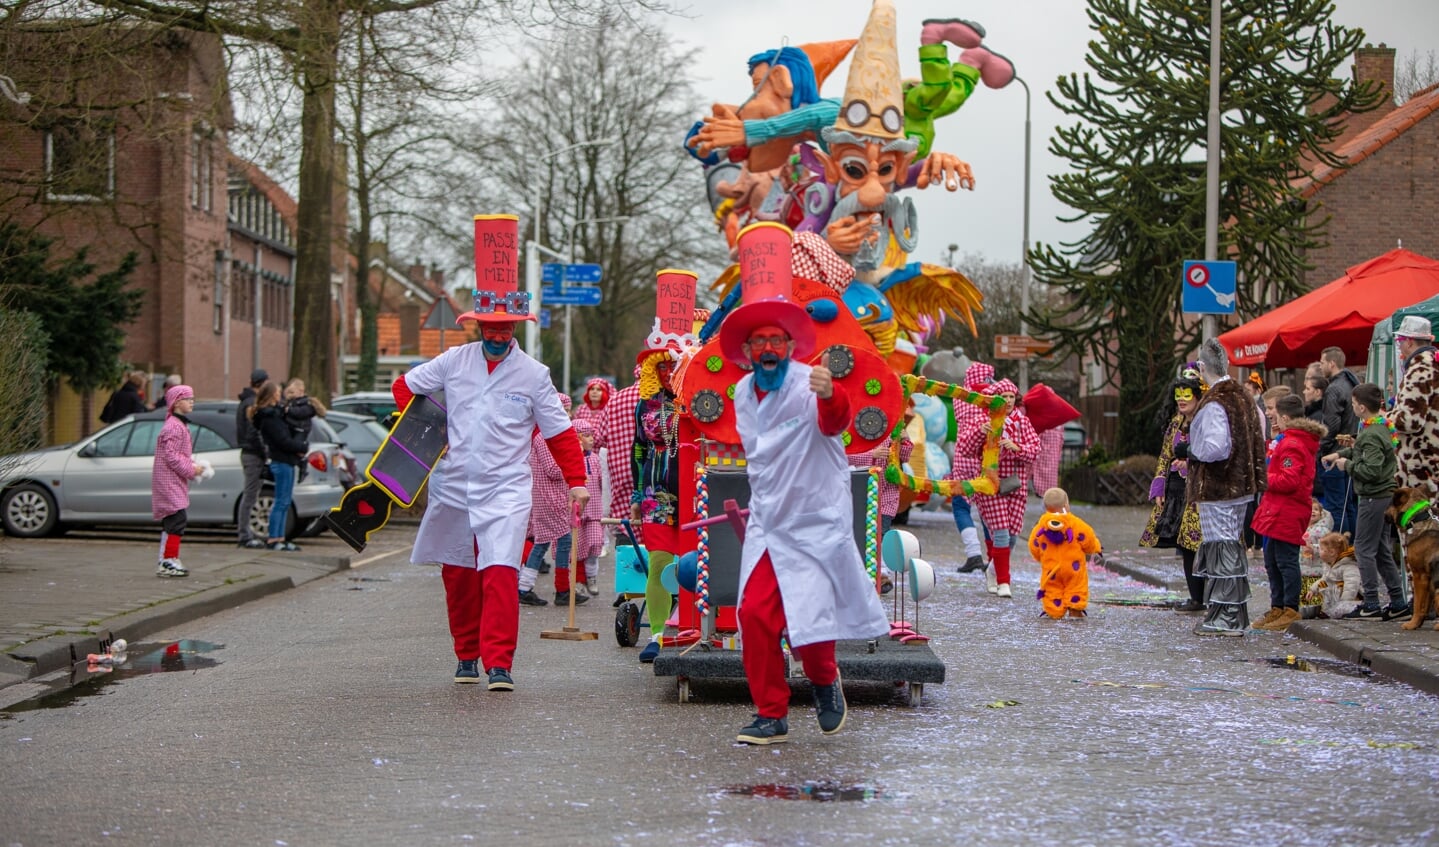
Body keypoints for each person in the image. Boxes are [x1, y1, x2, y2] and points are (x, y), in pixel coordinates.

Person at [391, 240, 586, 691]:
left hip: (506, 488)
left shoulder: (534, 374)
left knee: (500, 571)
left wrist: (576, 480)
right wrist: (425, 435)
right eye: (490, 328)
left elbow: (559, 432)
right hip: (454, 483)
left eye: (505, 329)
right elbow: (405, 387)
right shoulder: (453, 361)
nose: (497, 336)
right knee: (457, 574)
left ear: (516, 329)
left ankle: (500, 663)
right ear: (478, 326)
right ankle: (466, 656)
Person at [721, 320, 890, 746]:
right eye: (759, 341)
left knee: (811, 621)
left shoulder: (811, 382)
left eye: (775, 340)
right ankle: (770, 714)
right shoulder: (742, 393)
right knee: (754, 614)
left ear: (790, 345)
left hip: (814, 520)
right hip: (769, 520)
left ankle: (824, 680)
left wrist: (833, 394)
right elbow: (758, 454)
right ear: (747, 349)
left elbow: (834, 424)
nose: (768, 348)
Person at [1187, 338, 1267, 637]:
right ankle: (1233, 611)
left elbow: (1216, 447)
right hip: (1242, 485)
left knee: (1220, 546)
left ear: (1202, 367)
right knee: (1231, 543)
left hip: (1219, 486)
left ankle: (1226, 615)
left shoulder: (1216, 401)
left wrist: (1192, 451)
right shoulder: (1244, 397)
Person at [1321, 381, 1408, 621]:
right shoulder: (1379, 427)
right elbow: (1365, 451)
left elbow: (1370, 469)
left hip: (1373, 496)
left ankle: (1371, 602)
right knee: (1380, 550)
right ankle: (1398, 600)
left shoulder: (1371, 433)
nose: (1352, 407)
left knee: (1363, 549)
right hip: (1382, 495)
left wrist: (1345, 465)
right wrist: (1341, 453)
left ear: (1360, 407)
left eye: (1352, 404)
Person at [955, 378, 1039, 598]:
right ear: (995, 399)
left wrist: (1017, 447)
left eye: (1012, 397)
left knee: (1012, 535)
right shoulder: (983, 420)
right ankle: (1004, 582)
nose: (1008, 401)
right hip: (990, 484)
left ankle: (992, 569)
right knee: (1001, 532)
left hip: (1015, 485)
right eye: (1004, 397)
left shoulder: (1023, 422)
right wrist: (980, 433)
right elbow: (965, 448)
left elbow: (1035, 450)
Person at [1251, 393, 1325, 632]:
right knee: (1272, 560)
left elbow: (1289, 481)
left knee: (1285, 560)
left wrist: (1263, 477)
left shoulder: (1293, 443)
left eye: (1273, 413)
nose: (1271, 417)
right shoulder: (1286, 439)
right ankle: (1278, 606)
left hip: (1288, 510)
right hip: (1277, 509)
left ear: (1284, 417)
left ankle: (1290, 608)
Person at [630, 349, 683, 664]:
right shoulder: (645, 405)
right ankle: (659, 633)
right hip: (656, 492)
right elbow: (638, 448)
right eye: (662, 366)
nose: (668, 372)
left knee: (696, 562)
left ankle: (691, 628)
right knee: (660, 562)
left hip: (695, 490)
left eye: (674, 366)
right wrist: (637, 496)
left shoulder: (703, 396)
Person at [1140, 374, 1206, 612]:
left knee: (1199, 544)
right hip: (1177, 491)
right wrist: (1160, 486)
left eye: (1186, 395)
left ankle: (1207, 596)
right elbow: (1165, 455)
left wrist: (1190, 465)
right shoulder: (1176, 423)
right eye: (1178, 395)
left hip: (1198, 491)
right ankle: (1196, 598)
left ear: (1198, 397)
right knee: (1185, 545)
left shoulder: (1204, 421)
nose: (1181, 399)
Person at [520, 392, 587, 608]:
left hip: (551, 495)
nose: (567, 415)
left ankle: (554, 588)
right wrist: (573, 468)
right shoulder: (545, 437)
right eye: (564, 410)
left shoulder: (545, 435)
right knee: (550, 542)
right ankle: (537, 587)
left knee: (549, 541)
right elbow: (552, 468)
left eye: (568, 410)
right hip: (549, 496)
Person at [151, 384, 204, 578]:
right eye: (188, 399)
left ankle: (166, 558)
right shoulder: (174, 427)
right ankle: (169, 560)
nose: (192, 402)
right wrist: (192, 469)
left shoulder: (177, 424)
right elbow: (172, 456)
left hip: (172, 480)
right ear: (176, 402)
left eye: (192, 399)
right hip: (169, 481)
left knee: (171, 520)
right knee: (177, 519)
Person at [250, 381, 307, 553]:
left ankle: (280, 538)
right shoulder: (269, 418)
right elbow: (282, 441)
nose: (280, 394)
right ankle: (274, 538)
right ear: (272, 394)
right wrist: (301, 447)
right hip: (281, 461)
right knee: (281, 501)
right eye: (278, 391)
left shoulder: (274, 415)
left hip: (286, 460)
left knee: (285, 501)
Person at [1029, 487, 1101, 619]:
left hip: (1051, 569)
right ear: (1066, 505)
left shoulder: (1040, 526)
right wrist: (1096, 547)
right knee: (1076, 586)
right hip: (1073, 567)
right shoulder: (1075, 523)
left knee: (1052, 589)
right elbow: (1088, 539)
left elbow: (1033, 546)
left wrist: (1041, 557)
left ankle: (1054, 610)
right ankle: (1075, 610)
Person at [951, 362, 995, 574]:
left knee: (961, 506)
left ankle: (973, 554)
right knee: (987, 509)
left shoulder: (959, 397)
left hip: (963, 456)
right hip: (985, 459)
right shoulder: (994, 400)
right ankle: (993, 558)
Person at [1390, 316, 1439, 497]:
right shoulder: (1433, 364)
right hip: (1431, 460)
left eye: (1399, 341)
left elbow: (1410, 421)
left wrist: (1385, 418)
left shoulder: (1420, 368)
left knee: (1421, 522)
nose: (1399, 346)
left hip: (1419, 463)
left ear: (1409, 342)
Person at [1317, 346, 1360, 536]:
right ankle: (1350, 546)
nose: (1320, 366)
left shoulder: (1334, 389)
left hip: (1334, 453)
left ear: (1331, 363)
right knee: (1347, 505)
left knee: (1335, 506)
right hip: (1348, 449)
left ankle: (1339, 550)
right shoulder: (1352, 383)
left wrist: (1322, 449)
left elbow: (1331, 424)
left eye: (1322, 362)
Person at [235, 369, 270, 549]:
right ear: (262, 383)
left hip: (249, 453)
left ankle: (245, 533)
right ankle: (244, 535)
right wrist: (265, 452)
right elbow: (253, 431)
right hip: (253, 454)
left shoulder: (245, 401)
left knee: (251, 494)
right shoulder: (251, 404)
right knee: (250, 495)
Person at [572, 419, 605, 596]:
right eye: (586, 436)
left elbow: (602, 483)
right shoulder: (571, 459)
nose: (591, 439)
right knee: (576, 547)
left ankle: (591, 576)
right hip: (576, 511)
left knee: (595, 542)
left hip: (594, 510)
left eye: (592, 435)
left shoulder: (595, 459)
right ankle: (578, 580)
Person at [1304, 531, 1362, 620]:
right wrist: (1313, 589)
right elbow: (1324, 579)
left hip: (1346, 604)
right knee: (1327, 587)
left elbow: (1351, 586)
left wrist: (1344, 603)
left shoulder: (1348, 566)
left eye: (1322, 549)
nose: (1319, 552)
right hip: (1333, 602)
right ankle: (1328, 611)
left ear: (1331, 552)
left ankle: (1339, 612)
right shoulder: (1329, 565)